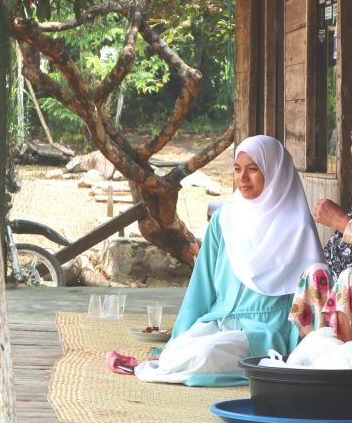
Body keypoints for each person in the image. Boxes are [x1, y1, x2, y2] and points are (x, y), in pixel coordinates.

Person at [134, 135, 325, 386]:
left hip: (263, 330)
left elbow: (311, 295)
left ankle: (251, 369)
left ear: (275, 172)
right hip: (220, 320)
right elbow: (201, 288)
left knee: (203, 355)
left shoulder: (297, 227)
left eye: (253, 169)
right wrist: (178, 336)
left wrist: (301, 350)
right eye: (237, 169)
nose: (243, 178)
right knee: (174, 355)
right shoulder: (225, 219)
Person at [289, 108, 352, 354]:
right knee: (314, 273)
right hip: (340, 292)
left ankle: (349, 365)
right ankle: (317, 360)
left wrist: (342, 221)